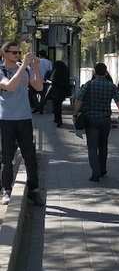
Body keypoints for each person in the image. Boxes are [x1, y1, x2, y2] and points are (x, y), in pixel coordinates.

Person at [0, 41, 44, 206]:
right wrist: (24, 64)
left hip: (24, 118)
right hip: (6, 120)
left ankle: (34, 190)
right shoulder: (1, 70)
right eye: (14, 53)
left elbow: (38, 87)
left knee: (30, 156)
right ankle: (6, 190)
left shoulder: (24, 68)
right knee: (6, 157)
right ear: (4, 53)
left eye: (19, 52)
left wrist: (35, 67)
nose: (17, 55)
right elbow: (10, 86)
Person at [74, 62, 119, 182]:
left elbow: (79, 100)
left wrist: (75, 114)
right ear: (105, 72)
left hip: (91, 120)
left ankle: (95, 172)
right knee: (103, 145)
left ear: (94, 71)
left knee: (92, 147)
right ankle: (103, 169)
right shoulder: (111, 86)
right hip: (105, 120)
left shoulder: (88, 85)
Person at [48, 61, 71, 127]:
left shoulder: (56, 72)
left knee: (56, 106)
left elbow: (52, 80)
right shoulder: (65, 71)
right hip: (62, 91)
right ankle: (58, 119)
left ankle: (57, 119)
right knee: (59, 106)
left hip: (56, 91)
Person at [34, 50, 53, 114]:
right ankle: (41, 109)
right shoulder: (49, 62)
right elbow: (50, 71)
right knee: (43, 95)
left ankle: (37, 106)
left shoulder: (37, 61)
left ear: (39, 55)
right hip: (45, 81)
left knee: (33, 93)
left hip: (37, 80)